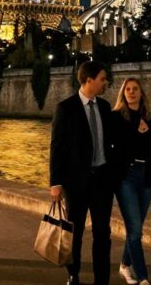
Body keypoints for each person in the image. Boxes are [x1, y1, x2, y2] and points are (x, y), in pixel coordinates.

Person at [50, 60, 117, 285]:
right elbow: (57, 148)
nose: (106, 82)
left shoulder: (105, 107)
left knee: (102, 234)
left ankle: (102, 280)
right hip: (76, 183)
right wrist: (55, 182)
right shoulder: (65, 108)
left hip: (101, 181)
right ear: (89, 80)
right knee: (74, 233)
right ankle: (73, 274)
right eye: (102, 78)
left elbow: (113, 142)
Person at [111, 78, 151, 285]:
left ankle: (124, 265)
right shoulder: (116, 117)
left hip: (147, 176)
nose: (131, 92)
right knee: (136, 229)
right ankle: (144, 277)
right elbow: (117, 148)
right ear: (123, 93)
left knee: (134, 229)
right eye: (127, 89)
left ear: (141, 93)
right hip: (126, 177)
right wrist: (135, 131)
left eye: (135, 89)